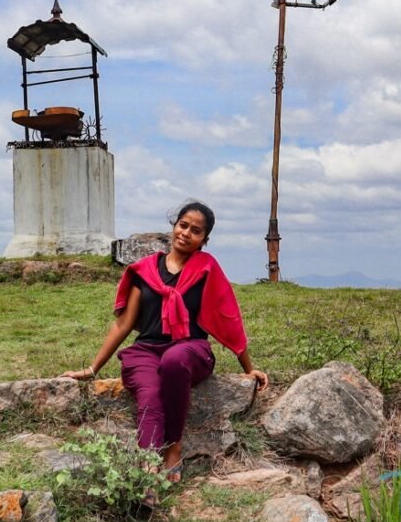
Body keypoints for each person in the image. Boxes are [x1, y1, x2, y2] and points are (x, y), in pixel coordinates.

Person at [61, 201, 269, 483]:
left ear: (204, 241)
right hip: (145, 351)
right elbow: (123, 324)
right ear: (174, 227)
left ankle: (173, 446)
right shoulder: (145, 271)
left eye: (196, 231)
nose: (186, 233)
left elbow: (229, 319)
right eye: (183, 225)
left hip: (191, 350)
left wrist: (248, 369)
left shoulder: (207, 269)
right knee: (149, 394)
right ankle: (147, 473)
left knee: (174, 361)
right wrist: (92, 368)